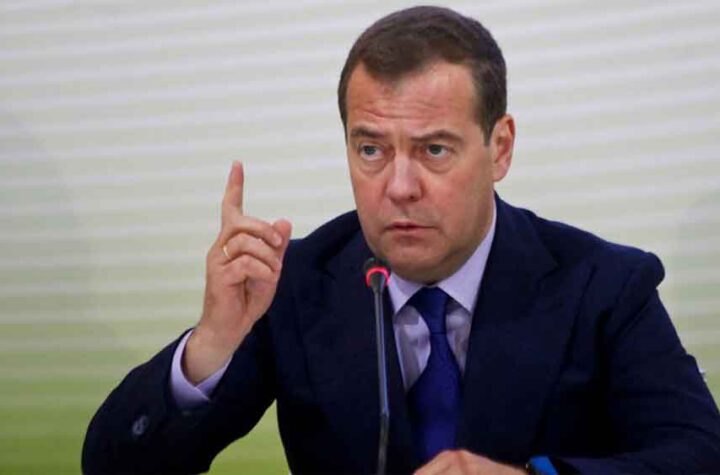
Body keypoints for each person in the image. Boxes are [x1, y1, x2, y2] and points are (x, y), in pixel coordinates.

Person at [82, 6, 720, 474]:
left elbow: (699, 455)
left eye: (434, 149)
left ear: (499, 148)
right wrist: (212, 343)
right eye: (371, 150)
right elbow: (113, 466)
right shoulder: (294, 285)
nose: (400, 187)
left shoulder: (603, 285)